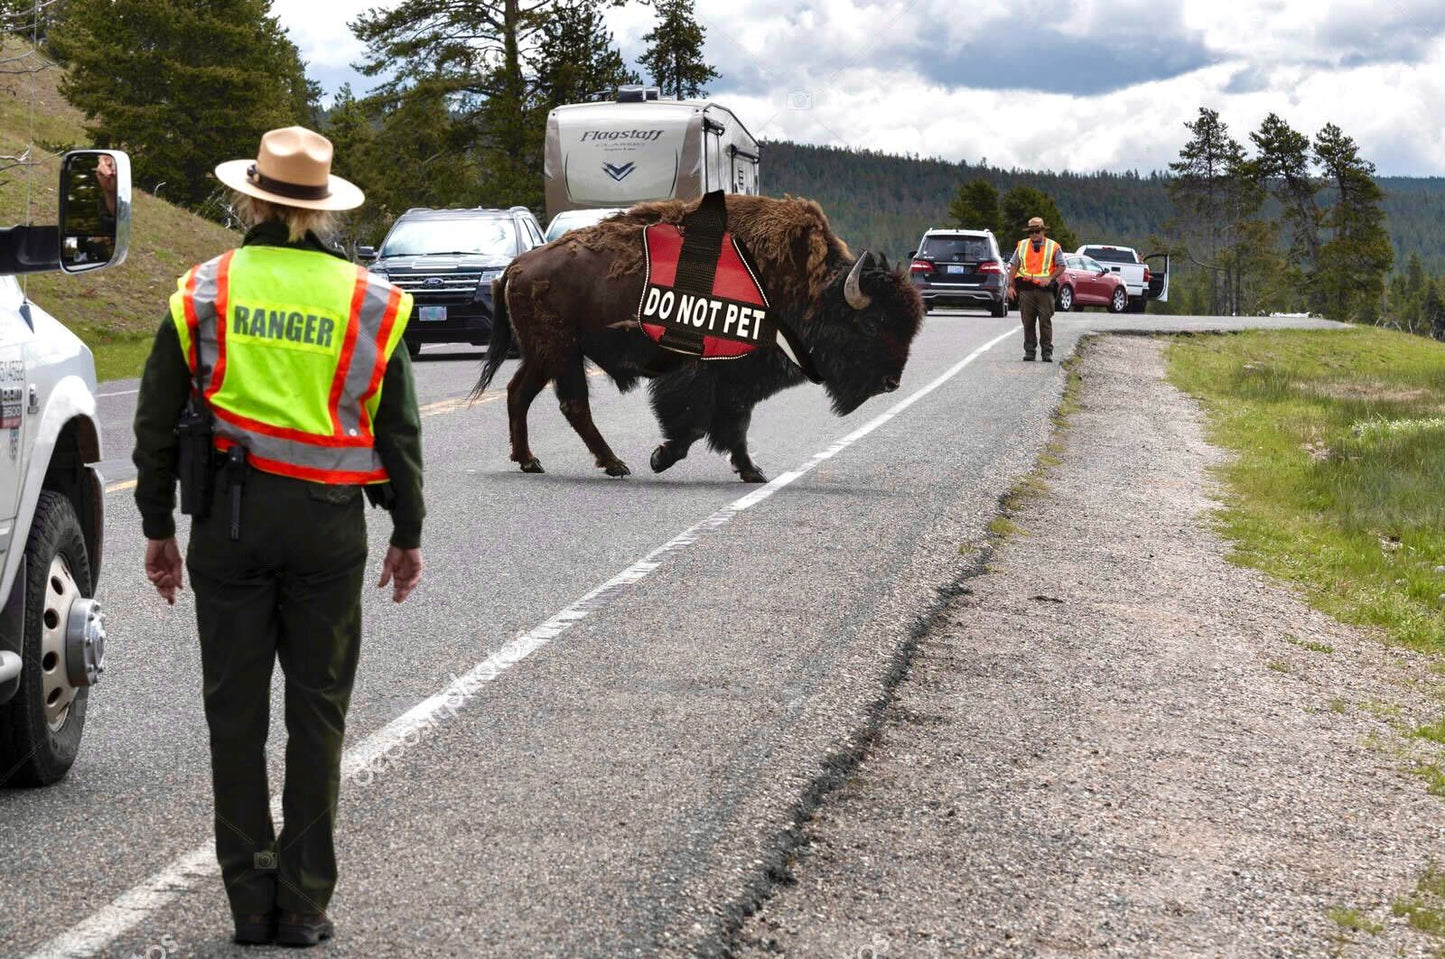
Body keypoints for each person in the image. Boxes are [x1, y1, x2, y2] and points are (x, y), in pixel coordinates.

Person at [132, 126, 425, 948]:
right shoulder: (371, 299)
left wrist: (158, 527)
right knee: (317, 713)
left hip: (228, 522)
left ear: (249, 198)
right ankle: (302, 902)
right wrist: (407, 529)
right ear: (322, 209)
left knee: (234, 714)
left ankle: (247, 903)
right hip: (331, 526)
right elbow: (397, 427)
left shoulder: (203, 289)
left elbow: (155, 423)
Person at [1005, 216, 1067, 362]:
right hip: (1026, 289)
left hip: (1045, 291)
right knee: (1028, 321)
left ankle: (1047, 352)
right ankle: (1029, 351)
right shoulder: (1022, 245)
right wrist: (1010, 285)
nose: (1034, 234)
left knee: (1045, 321)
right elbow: (1014, 266)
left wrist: (1050, 278)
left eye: (1037, 231)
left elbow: (1062, 265)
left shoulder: (1054, 246)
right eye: (1031, 231)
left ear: (1043, 231)